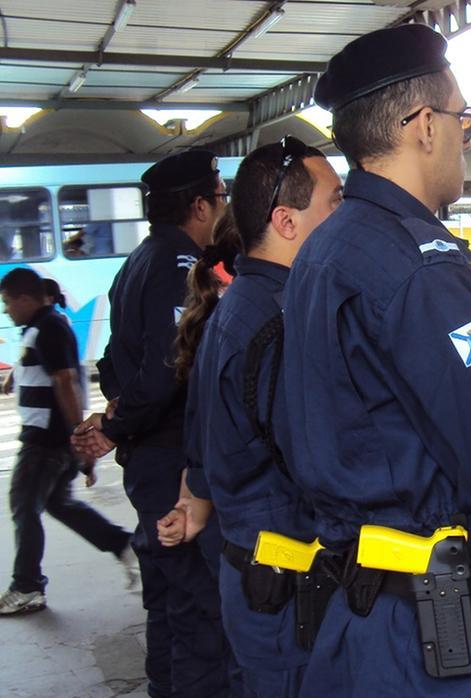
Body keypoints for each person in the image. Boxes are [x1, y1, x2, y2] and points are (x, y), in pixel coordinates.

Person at [279, 24, 471, 696]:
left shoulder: (324, 253)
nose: (463, 139)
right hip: (442, 631)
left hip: (360, 615)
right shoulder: (416, 263)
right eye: (462, 120)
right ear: (423, 126)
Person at [154, 139, 345, 696]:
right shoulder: (281, 323)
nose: (345, 215)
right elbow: (320, 464)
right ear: (286, 221)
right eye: (334, 202)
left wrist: (196, 499)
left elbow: (206, 440)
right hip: (290, 586)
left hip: (257, 579)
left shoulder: (239, 308)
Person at [70, 149, 232, 696]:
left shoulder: (138, 259)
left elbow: (114, 362)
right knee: (198, 610)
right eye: (220, 197)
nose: (223, 207)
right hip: (173, 464)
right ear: (199, 206)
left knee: (166, 599)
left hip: (148, 460)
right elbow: (170, 368)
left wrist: (117, 415)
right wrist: (118, 426)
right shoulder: (180, 266)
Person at [0, 268, 138, 616]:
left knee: (24, 506)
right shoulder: (41, 327)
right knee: (58, 504)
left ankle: (27, 586)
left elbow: (65, 382)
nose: (5, 311)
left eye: (7, 303)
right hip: (50, 438)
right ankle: (124, 544)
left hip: (45, 442)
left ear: (25, 299)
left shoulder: (48, 327)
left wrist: (80, 436)